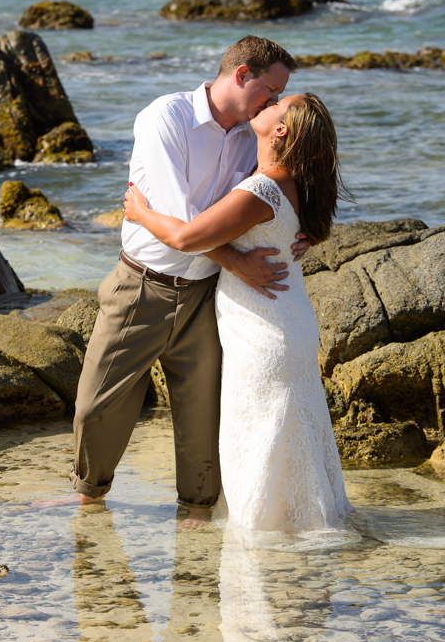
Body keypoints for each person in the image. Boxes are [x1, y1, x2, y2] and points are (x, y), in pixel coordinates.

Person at [71, 36, 309, 527]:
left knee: (202, 419)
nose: (273, 103)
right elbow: (183, 222)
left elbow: (278, 192)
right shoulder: (167, 117)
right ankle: (89, 504)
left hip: (207, 294)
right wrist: (239, 262)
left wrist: (304, 231)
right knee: (97, 405)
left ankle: (196, 518)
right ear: (241, 74)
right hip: (141, 285)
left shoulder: (254, 136)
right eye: (270, 90)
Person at [124, 92, 353, 534]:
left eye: (275, 103)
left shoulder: (262, 188)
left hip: (266, 330)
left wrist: (142, 212)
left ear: (280, 129)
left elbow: (189, 237)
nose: (264, 103)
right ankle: (297, 527)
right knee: (288, 438)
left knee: (259, 439)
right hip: (286, 321)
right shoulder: (293, 183)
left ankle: (265, 537)